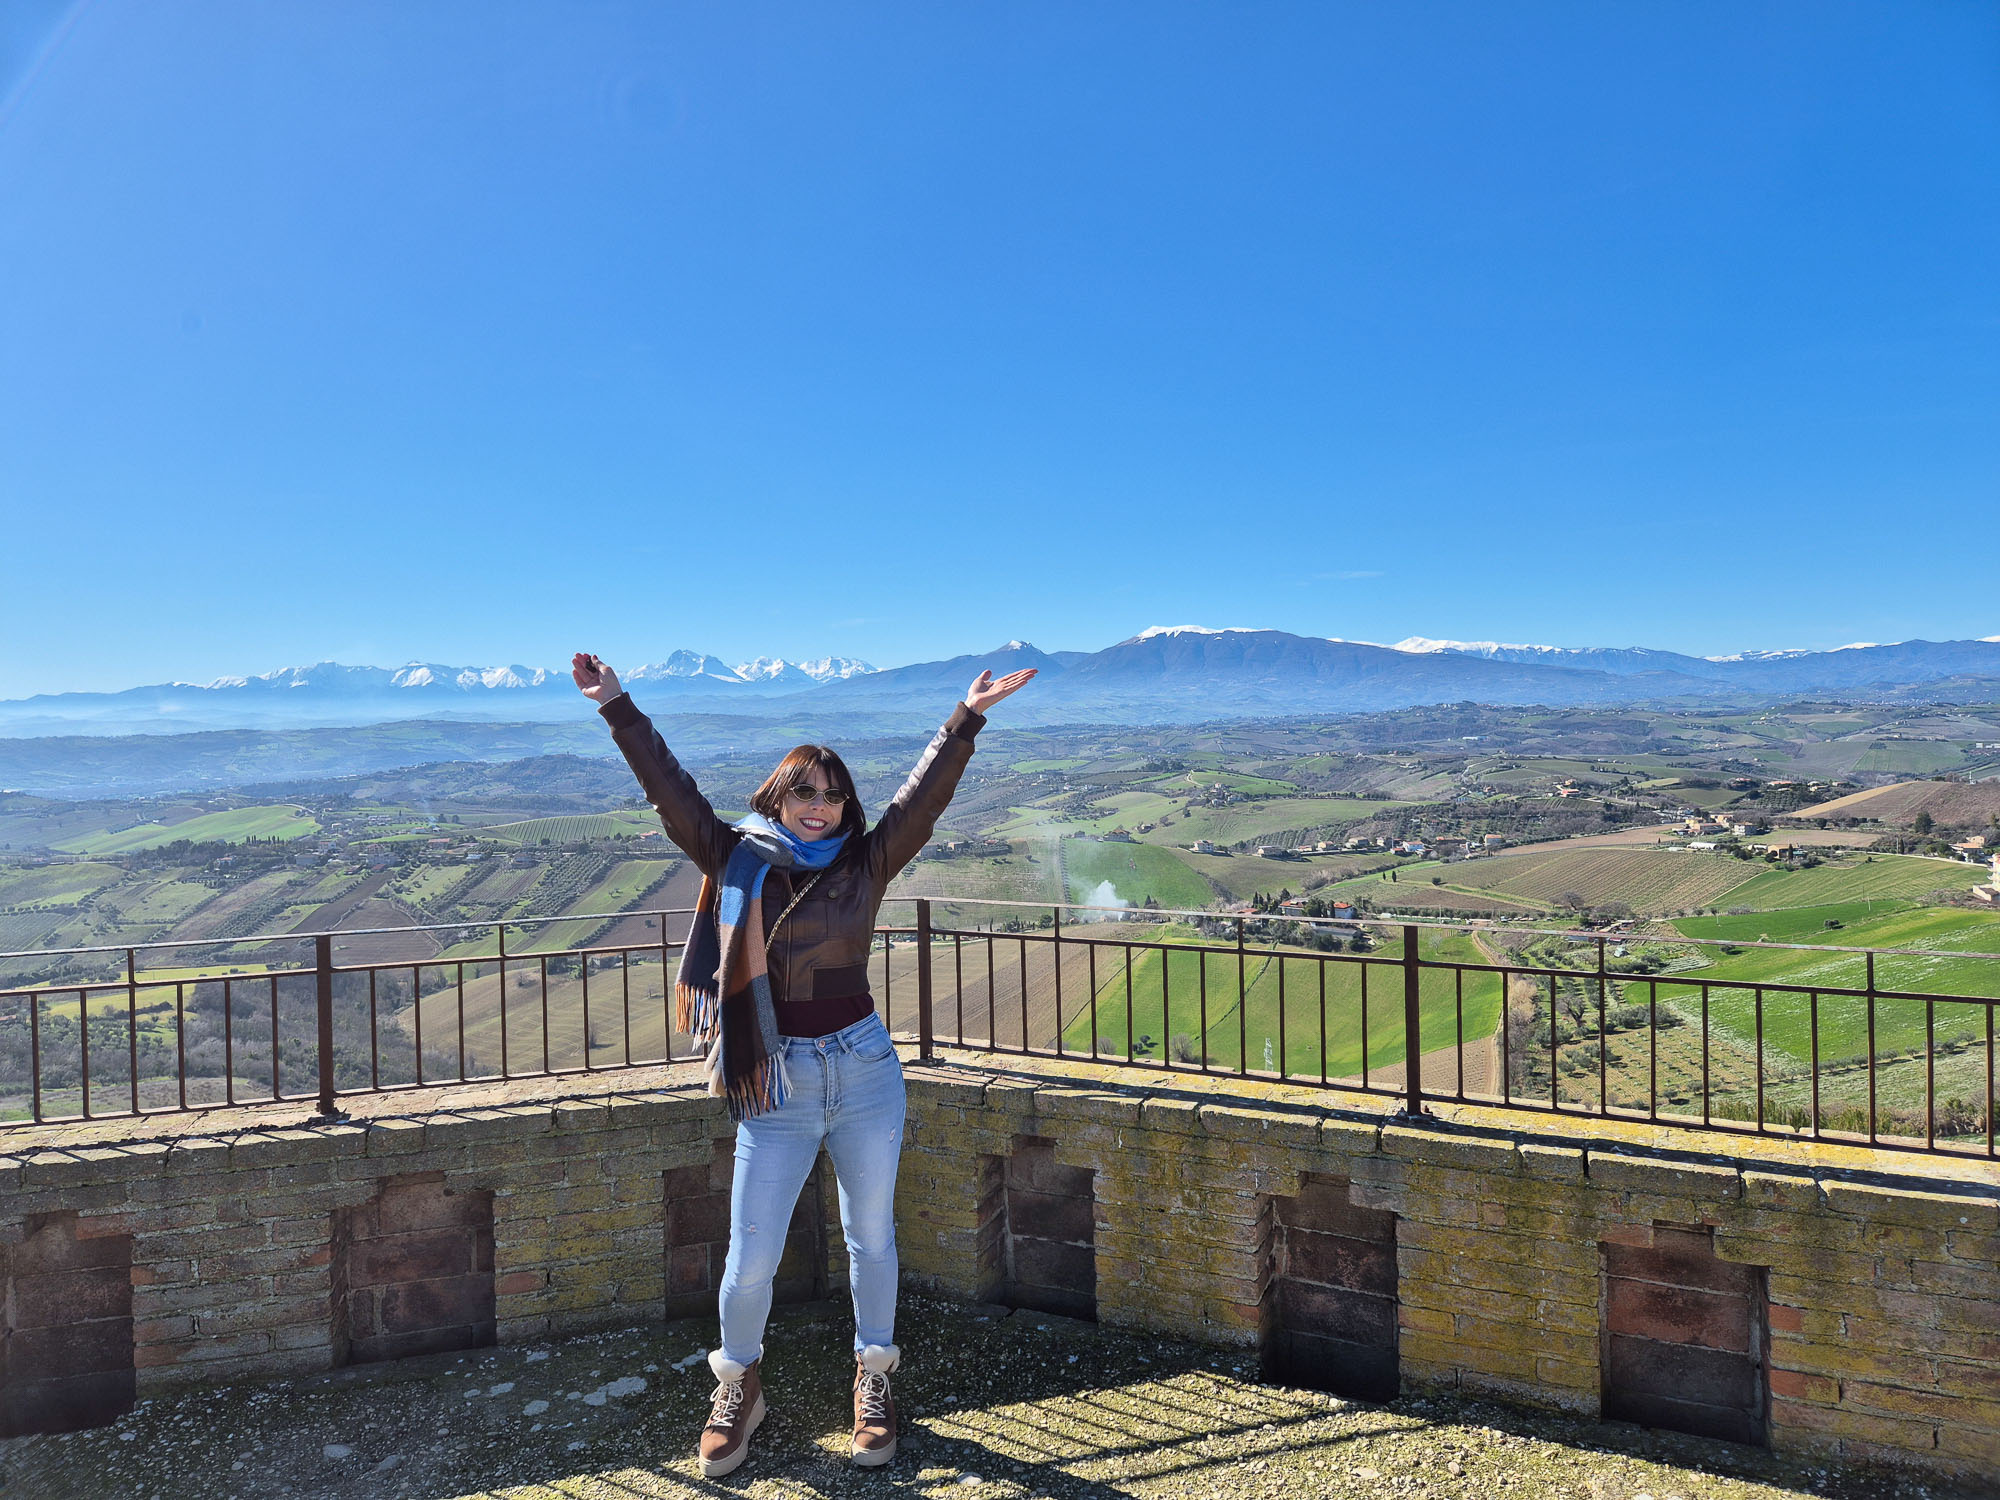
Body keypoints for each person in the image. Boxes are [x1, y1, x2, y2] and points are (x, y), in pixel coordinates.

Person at [571, 650, 1035, 1477]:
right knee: (752, 1252)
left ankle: (875, 1378)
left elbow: (924, 801)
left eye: (831, 793)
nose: (819, 806)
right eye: (803, 791)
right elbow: (670, 794)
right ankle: (738, 1386)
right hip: (775, 1077)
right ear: (775, 797)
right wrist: (618, 708)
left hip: (862, 1069)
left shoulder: (867, 861)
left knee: (871, 1237)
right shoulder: (735, 858)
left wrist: (964, 720)